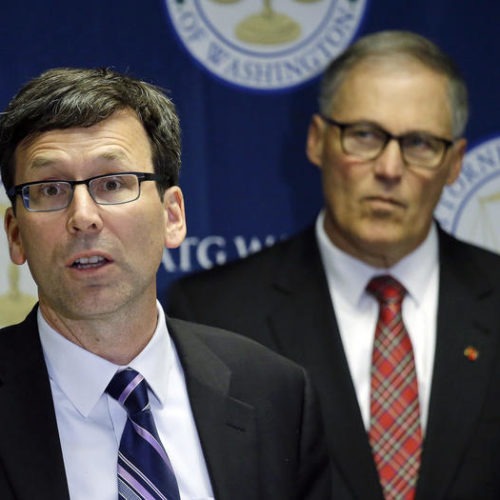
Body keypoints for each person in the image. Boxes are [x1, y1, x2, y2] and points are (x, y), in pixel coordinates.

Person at [167, 30, 500, 499]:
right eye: (364, 135)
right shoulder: (212, 314)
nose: (389, 168)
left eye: (420, 143)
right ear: (318, 140)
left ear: (455, 163)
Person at [0, 67, 331, 500]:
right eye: (49, 190)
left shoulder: (275, 394)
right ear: (16, 234)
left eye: (113, 183)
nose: (82, 216)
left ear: (172, 216)